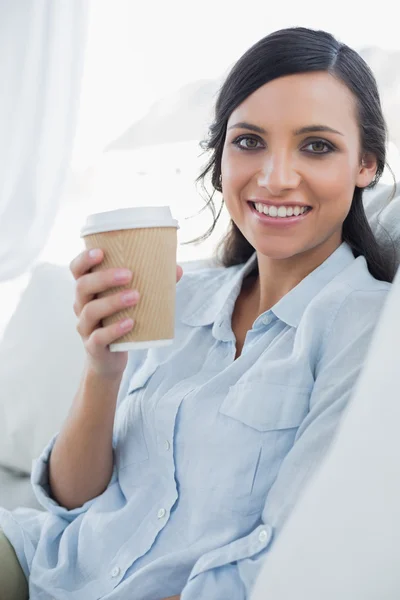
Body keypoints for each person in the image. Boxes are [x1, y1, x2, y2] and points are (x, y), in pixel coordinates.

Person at [0, 26, 396, 600]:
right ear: (219, 161)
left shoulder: (369, 334)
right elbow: (71, 499)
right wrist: (103, 369)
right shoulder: (180, 299)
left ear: (366, 165)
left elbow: (285, 561)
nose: (276, 176)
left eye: (316, 145)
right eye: (249, 141)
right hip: (48, 560)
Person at [251, 266, 400, 600]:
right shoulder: (184, 293)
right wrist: (106, 373)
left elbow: (276, 552)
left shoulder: (363, 318)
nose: (275, 207)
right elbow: (106, 487)